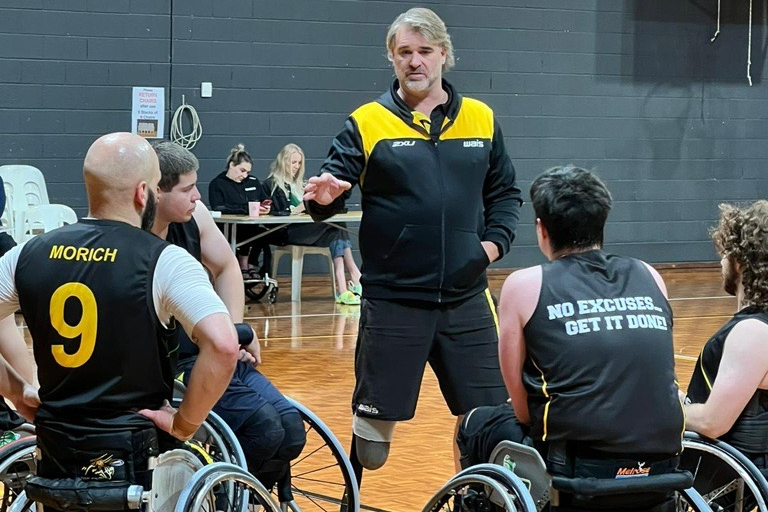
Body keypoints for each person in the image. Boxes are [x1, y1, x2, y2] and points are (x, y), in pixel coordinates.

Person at [303, 7, 522, 482]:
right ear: (392, 58)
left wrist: (490, 248)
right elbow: (329, 192)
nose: (415, 61)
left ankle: (476, 495)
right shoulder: (367, 122)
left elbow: (505, 193)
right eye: (405, 52)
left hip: (465, 300)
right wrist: (322, 201)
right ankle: (353, 496)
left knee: (491, 427)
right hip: (395, 302)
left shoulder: (482, 119)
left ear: (444, 55)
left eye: (425, 51)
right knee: (373, 449)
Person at [0, 132, 239, 508]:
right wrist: (185, 424)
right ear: (144, 193)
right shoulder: (165, 260)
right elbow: (225, 346)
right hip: (133, 449)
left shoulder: (27, 254)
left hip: (56, 443)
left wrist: (15, 390)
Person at [457, 166, 684, 510]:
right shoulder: (649, 274)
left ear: (541, 229)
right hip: (662, 467)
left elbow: (521, 410)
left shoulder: (523, 284)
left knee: (473, 423)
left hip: (578, 472)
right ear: (602, 221)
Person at [151, 140, 306, 486]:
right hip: (176, 363)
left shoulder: (194, 216)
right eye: (188, 188)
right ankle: (217, 493)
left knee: (292, 430)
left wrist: (234, 331)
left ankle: (246, 495)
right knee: (264, 430)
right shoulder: (136, 238)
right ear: (155, 193)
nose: (197, 197)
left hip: (213, 349)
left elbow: (226, 268)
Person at [684, 200, 768, 472]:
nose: (721, 261)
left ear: (742, 262)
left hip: (720, 470)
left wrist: (667, 410)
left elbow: (713, 422)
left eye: (725, 253)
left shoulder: (752, 333)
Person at [262, 143, 362, 305]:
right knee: (335, 226)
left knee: (336, 226)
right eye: (293, 162)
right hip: (287, 231)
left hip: (308, 228)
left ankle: (344, 285)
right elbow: (281, 214)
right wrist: (302, 206)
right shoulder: (271, 184)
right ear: (283, 161)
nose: (296, 166)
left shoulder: (302, 185)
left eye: (299, 163)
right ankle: (352, 277)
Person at [208, 143, 274, 278]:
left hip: (250, 226)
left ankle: (250, 264)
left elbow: (264, 198)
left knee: (264, 234)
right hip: (228, 228)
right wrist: (246, 210)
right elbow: (219, 207)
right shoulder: (218, 183)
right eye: (242, 170)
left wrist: (266, 207)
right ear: (232, 165)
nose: (245, 175)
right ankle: (242, 264)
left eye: (248, 172)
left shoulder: (253, 181)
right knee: (246, 234)